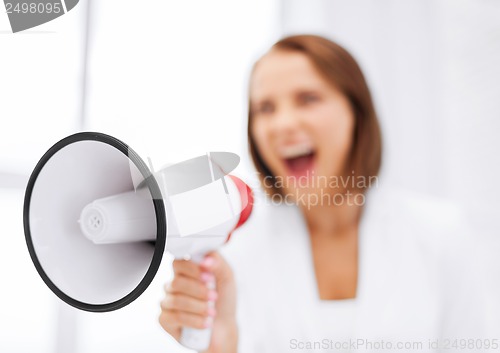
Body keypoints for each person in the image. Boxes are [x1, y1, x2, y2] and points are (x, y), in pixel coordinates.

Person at [158, 34, 485, 353]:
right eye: (265, 108)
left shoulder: (441, 233)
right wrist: (222, 350)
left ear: (356, 113)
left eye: (308, 98)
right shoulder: (232, 252)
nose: (283, 123)